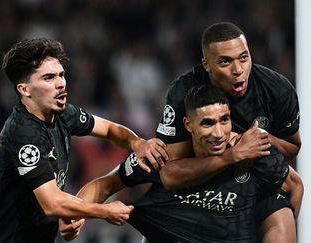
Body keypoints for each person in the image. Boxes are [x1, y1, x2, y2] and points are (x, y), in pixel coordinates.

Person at [0, 38, 168, 243]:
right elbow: (52, 204)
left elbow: (110, 129)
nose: (60, 83)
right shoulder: (23, 133)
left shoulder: (64, 114)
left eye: (61, 75)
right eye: (48, 78)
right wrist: (104, 211)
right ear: (24, 90)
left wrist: (137, 143)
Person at [60, 84, 290, 242]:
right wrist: (74, 214)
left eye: (224, 120)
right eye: (207, 123)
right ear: (188, 125)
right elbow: (107, 184)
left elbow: (294, 187)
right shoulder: (160, 157)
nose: (219, 133)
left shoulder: (253, 154)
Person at [155, 22, 303, 243]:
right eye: (225, 61)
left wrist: (258, 138)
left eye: (244, 58)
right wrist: (232, 155)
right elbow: (169, 174)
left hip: (256, 184)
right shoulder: (183, 93)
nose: (238, 70)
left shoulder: (276, 90)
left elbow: (293, 152)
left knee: (281, 216)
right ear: (206, 64)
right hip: (200, 187)